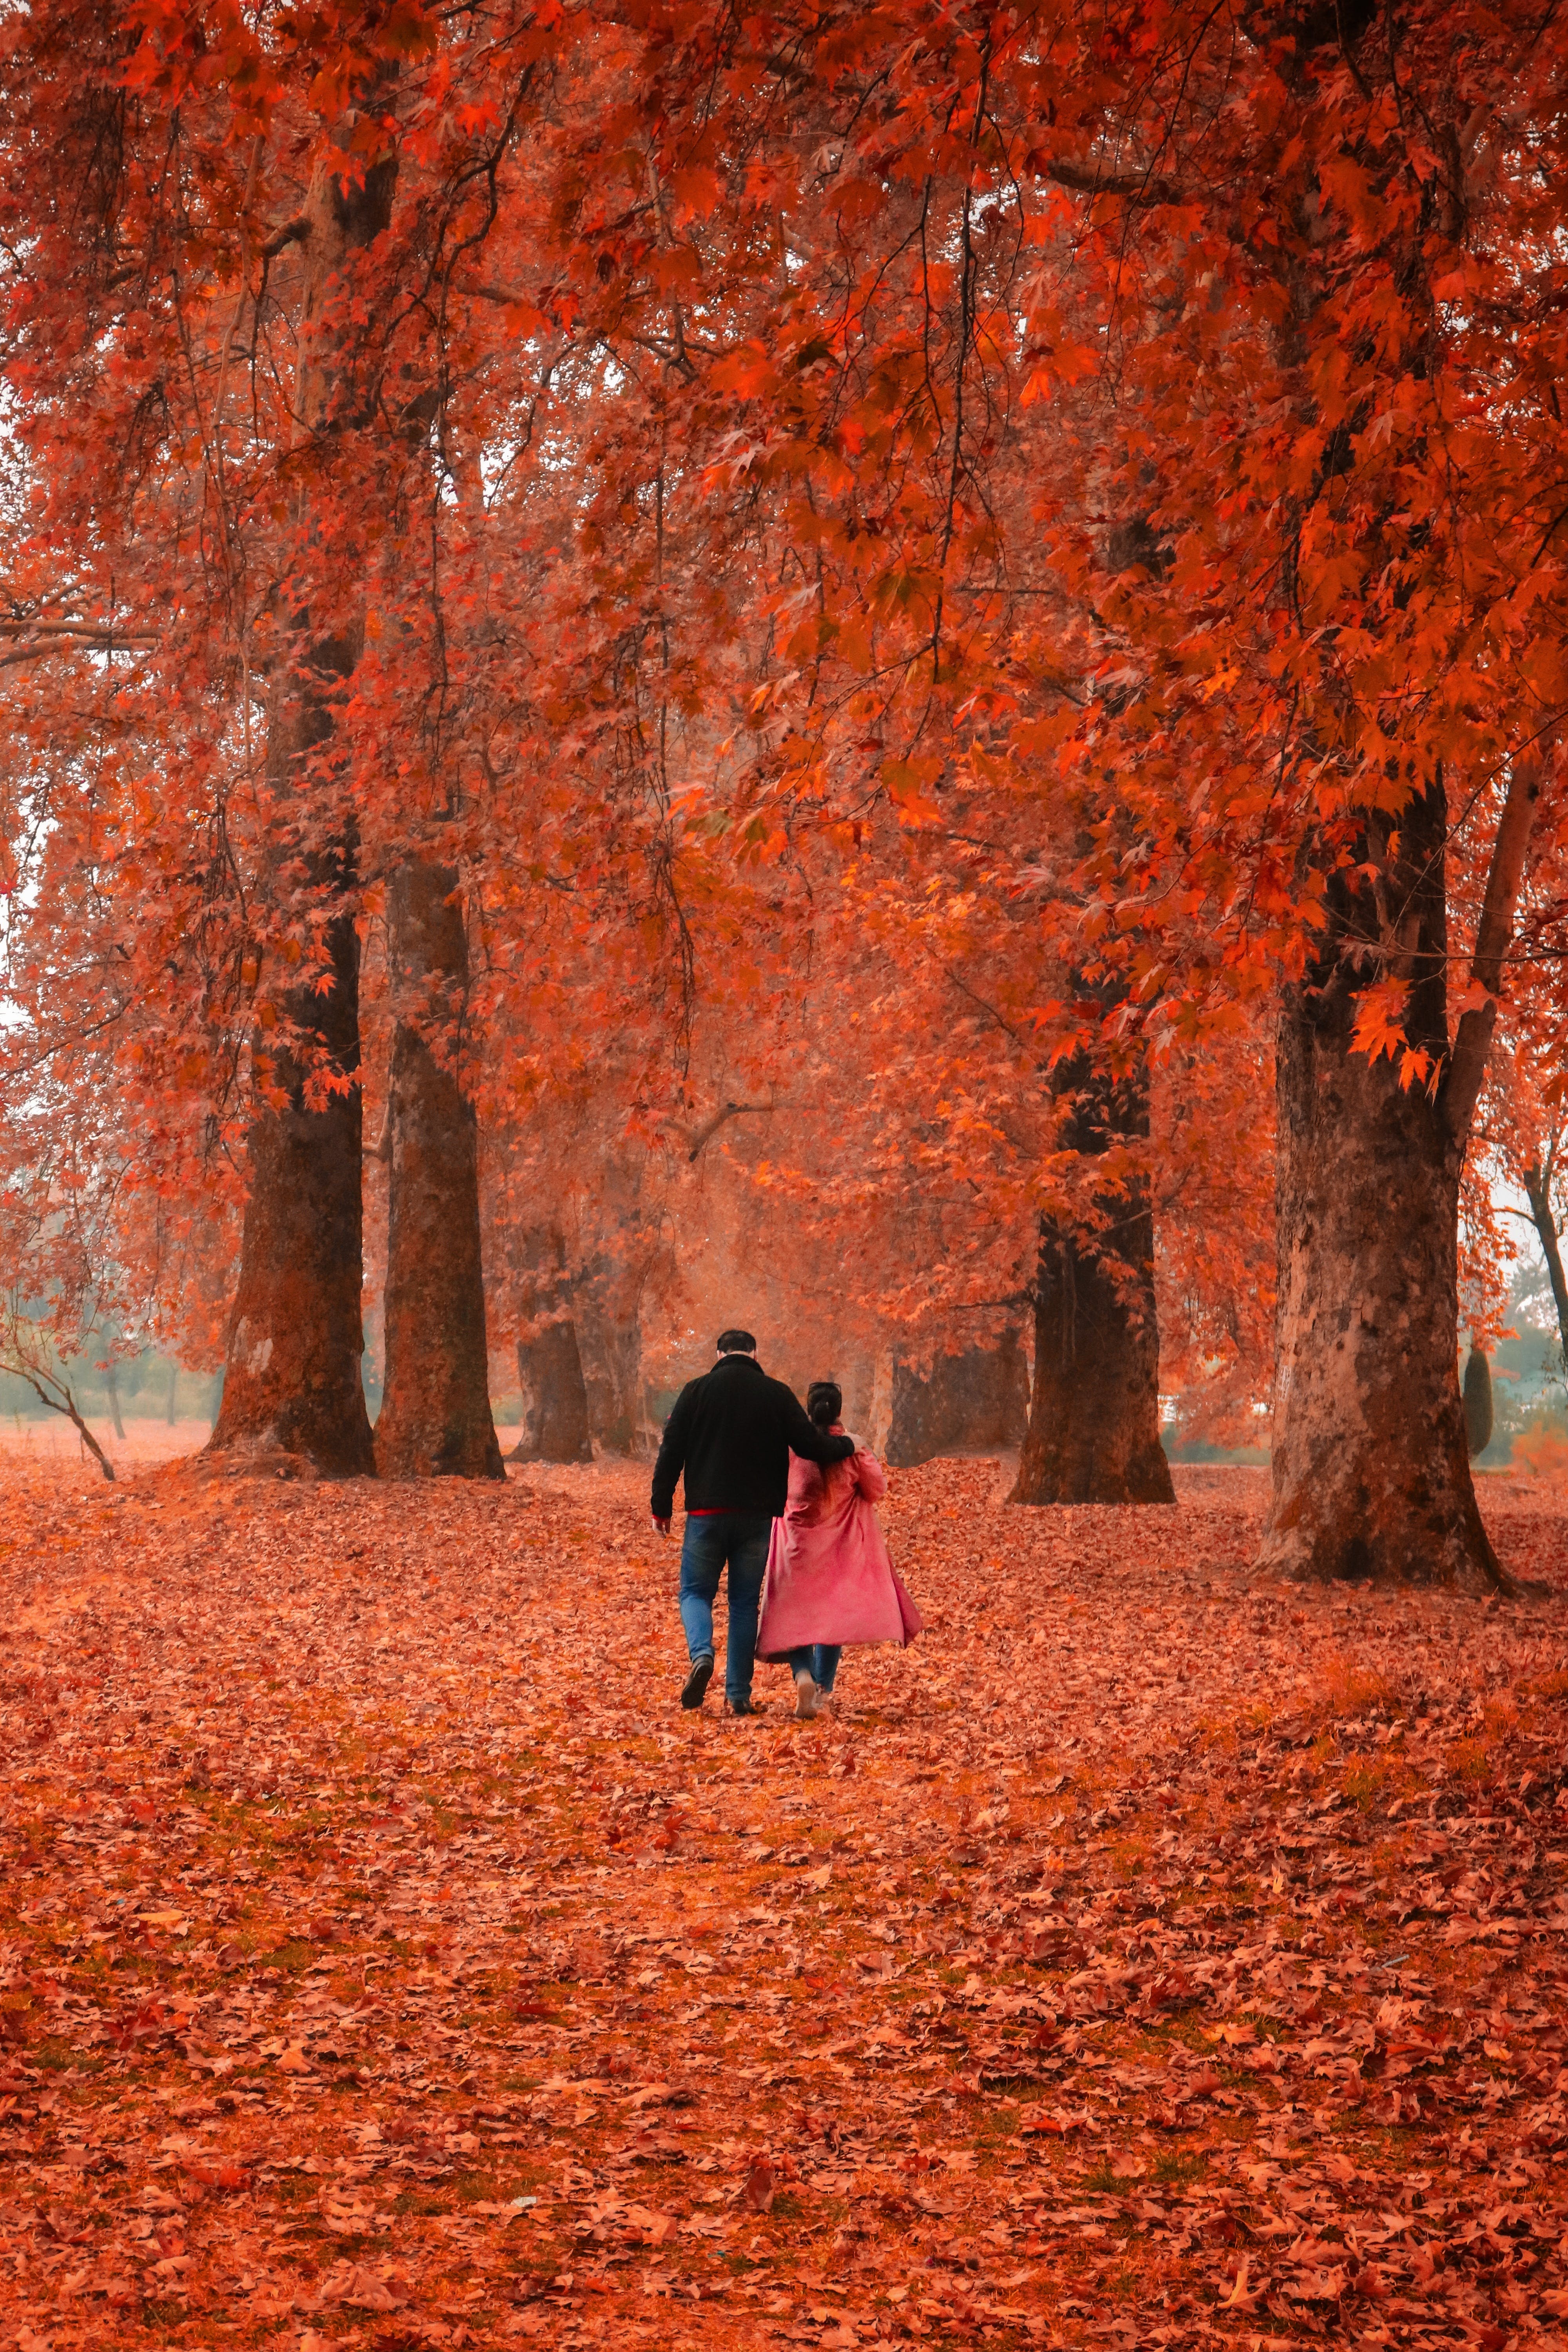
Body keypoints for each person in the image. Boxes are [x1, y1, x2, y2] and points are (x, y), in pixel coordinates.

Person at [650, 1330, 856, 1715]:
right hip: (757, 1518)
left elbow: (671, 1450)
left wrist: (660, 1508)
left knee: (695, 1593)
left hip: (706, 1514)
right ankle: (738, 1695)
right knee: (744, 1604)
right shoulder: (775, 1393)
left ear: (719, 1353)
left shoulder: (695, 1391)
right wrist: (847, 1445)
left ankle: (702, 1655)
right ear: (755, 1353)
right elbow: (810, 1446)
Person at [756, 1379, 922, 1718]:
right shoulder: (854, 1448)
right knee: (830, 1617)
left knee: (795, 1615)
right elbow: (877, 1489)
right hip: (838, 1545)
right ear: (840, 1410)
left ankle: (802, 1674)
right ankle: (822, 1688)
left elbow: (772, 1485)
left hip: (795, 1544)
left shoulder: (790, 1448)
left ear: (806, 1408)